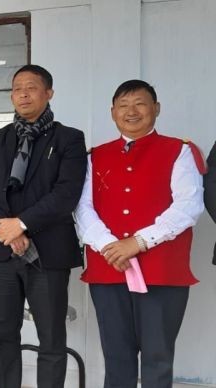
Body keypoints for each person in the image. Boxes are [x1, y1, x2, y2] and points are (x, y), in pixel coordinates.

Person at [75, 80, 204, 388]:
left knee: (158, 358)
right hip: (108, 269)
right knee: (116, 356)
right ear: (112, 112)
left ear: (156, 109)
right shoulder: (94, 156)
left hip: (161, 270)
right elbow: (81, 208)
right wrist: (109, 246)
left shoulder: (179, 151)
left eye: (140, 104)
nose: (131, 111)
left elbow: (188, 206)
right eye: (123, 105)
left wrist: (138, 242)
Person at [0, 64, 87, 387]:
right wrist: (7, 232)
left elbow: (66, 194)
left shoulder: (69, 139)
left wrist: (20, 225)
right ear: (11, 96)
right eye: (17, 88)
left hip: (48, 253)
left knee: (51, 337)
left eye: (32, 87)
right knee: (3, 335)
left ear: (48, 93)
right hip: (1, 252)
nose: (23, 93)